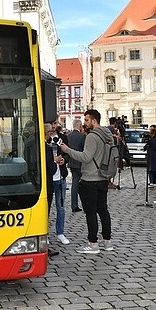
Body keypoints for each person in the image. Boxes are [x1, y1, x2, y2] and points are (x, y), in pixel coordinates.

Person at [58, 109, 114, 254]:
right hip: (103, 177)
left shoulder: (92, 137)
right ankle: (107, 242)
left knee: (90, 212)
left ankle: (93, 243)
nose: (85, 123)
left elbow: (85, 157)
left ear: (94, 120)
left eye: (87, 120)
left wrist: (67, 149)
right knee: (103, 210)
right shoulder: (108, 135)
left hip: (90, 179)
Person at [44, 122, 70, 246]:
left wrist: (63, 160)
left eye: (55, 123)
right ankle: (45, 234)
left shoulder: (61, 138)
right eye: (51, 125)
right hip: (49, 178)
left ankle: (60, 233)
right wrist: (53, 161)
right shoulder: (42, 141)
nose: (54, 126)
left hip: (60, 177)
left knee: (61, 207)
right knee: (46, 208)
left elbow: (68, 153)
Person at [67, 118, 86, 213]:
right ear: (80, 126)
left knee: (74, 184)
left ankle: (74, 205)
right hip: (80, 162)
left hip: (71, 163)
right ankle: (85, 203)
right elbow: (84, 150)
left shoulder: (68, 136)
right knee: (83, 184)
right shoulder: (82, 136)